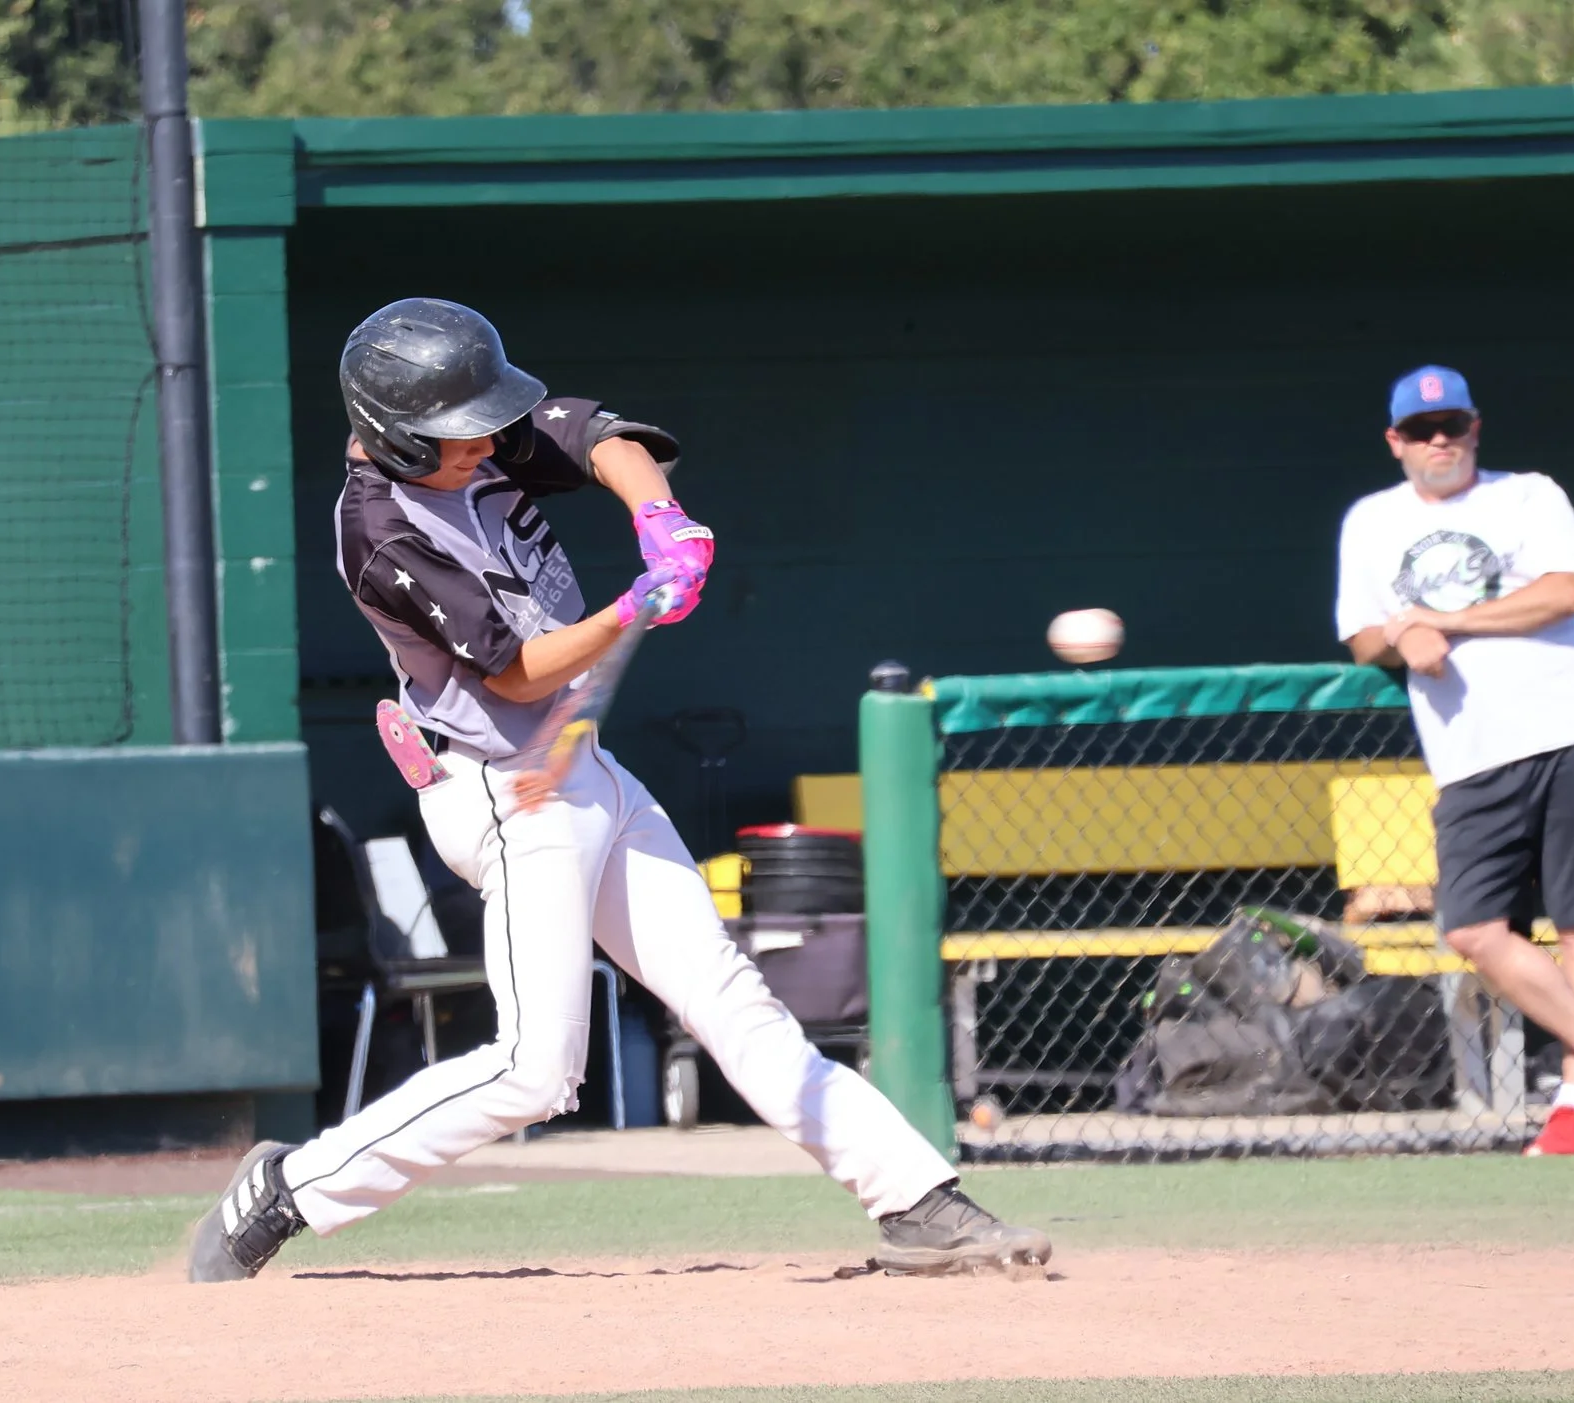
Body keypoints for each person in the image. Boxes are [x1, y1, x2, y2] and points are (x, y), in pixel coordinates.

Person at [186, 297, 1049, 1282]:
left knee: (734, 1003)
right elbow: (516, 673)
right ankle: (291, 1186)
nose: (485, 442)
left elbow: (602, 437)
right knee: (533, 1070)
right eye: (458, 435)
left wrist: (660, 520)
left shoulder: (473, 435)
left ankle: (915, 1197)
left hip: (577, 769)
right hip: (511, 795)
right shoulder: (382, 532)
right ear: (395, 436)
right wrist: (630, 605)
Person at [1335, 365, 1574, 1155]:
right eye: (1420, 430)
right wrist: (1401, 636)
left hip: (1571, 720)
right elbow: (1362, 632)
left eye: (1452, 426)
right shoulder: (1371, 521)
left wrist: (1446, 618)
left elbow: (1564, 592)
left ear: (1475, 429)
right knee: (1475, 927)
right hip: (1471, 754)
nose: (1438, 441)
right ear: (1395, 442)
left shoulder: (1530, 495)